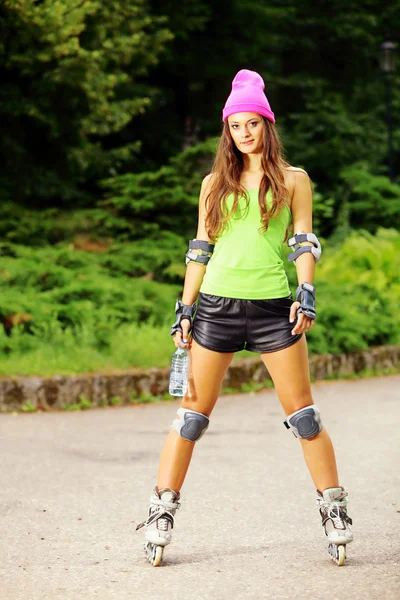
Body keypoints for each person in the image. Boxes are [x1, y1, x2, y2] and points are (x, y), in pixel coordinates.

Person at [136, 69, 353, 567]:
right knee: (191, 417)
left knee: (305, 416)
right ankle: (160, 511)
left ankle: (334, 509)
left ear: (267, 125)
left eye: (252, 123)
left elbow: (302, 240)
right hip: (216, 307)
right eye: (236, 125)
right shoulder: (215, 182)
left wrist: (307, 291)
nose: (244, 133)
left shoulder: (294, 180)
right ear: (227, 130)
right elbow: (200, 249)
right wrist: (185, 309)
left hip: (276, 308)